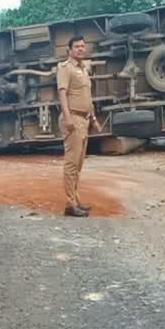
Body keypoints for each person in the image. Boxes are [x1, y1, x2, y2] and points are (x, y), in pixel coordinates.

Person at [57, 36, 101, 217]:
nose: (81, 49)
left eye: (83, 46)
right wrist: (68, 118)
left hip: (84, 120)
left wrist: (94, 119)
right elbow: (62, 94)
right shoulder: (65, 68)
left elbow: (87, 99)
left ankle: (75, 199)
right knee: (71, 164)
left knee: (79, 165)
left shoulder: (83, 69)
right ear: (70, 49)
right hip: (73, 119)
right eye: (77, 47)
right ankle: (70, 204)